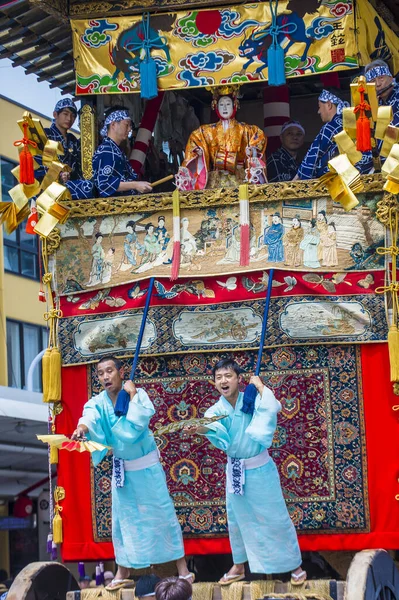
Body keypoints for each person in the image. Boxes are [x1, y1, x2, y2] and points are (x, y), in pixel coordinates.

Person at [71, 356, 193, 591]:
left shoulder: (138, 393)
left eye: (109, 371)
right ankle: (123, 571)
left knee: (163, 516)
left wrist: (133, 395)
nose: (105, 377)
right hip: (122, 472)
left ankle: (183, 570)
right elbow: (89, 416)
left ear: (120, 372)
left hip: (147, 468)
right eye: (100, 373)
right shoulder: (98, 402)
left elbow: (141, 420)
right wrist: (82, 428)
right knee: (123, 521)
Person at [184, 358, 305, 586]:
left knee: (275, 518)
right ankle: (239, 565)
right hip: (236, 471)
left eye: (227, 376)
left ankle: (294, 565)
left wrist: (259, 386)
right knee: (237, 520)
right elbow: (212, 425)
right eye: (218, 378)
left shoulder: (251, 398)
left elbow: (273, 406)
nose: (223, 381)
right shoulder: (216, 409)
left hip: (260, 469)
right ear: (215, 383)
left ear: (239, 379)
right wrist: (198, 427)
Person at [176, 86, 267, 190]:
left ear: (234, 105)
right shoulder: (206, 131)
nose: (224, 108)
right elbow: (195, 141)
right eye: (221, 104)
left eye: (228, 104)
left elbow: (259, 138)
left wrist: (252, 151)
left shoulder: (247, 130)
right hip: (215, 179)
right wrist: (200, 152)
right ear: (216, 106)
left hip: (239, 177)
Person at [297, 90, 372, 180]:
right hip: (360, 175)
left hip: (335, 180)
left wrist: (294, 182)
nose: (319, 111)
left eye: (320, 107)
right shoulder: (353, 122)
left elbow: (312, 157)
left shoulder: (330, 127)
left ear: (329, 105)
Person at [93, 107, 153, 198]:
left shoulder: (115, 149)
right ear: (113, 125)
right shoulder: (107, 150)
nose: (129, 129)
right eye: (126, 125)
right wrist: (135, 185)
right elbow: (104, 185)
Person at [46, 98, 82, 181]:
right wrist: (59, 174)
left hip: (71, 184)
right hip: (49, 184)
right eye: (65, 114)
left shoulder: (73, 140)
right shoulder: (47, 134)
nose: (69, 119)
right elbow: (41, 162)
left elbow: (79, 166)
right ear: (55, 114)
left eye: (73, 116)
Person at [364, 60, 399, 128]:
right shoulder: (377, 101)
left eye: (381, 78)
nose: (378, 84)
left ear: (391, 78)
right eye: (373, 81)